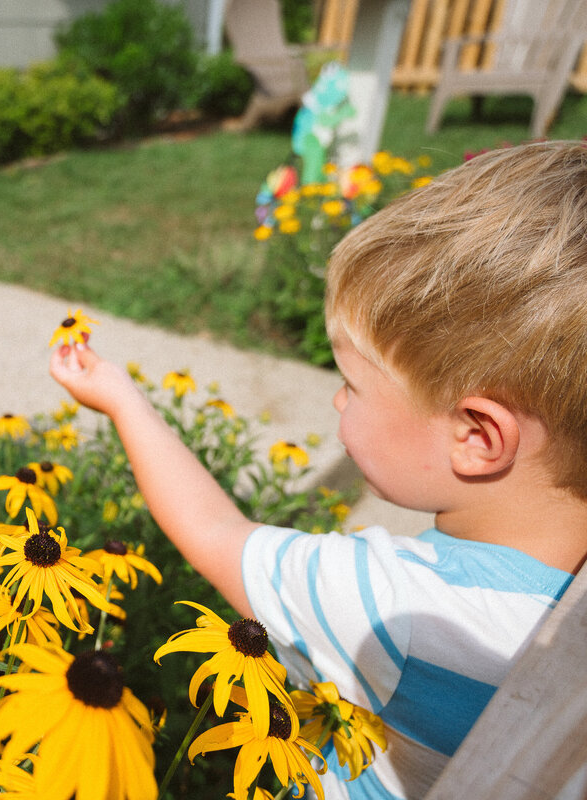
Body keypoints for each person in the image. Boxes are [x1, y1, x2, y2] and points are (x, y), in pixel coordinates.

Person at [50, 141, 587, 800]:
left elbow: (213, 532)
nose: (337, 401)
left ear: (476, 437)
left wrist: (120, 399)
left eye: (352, 385)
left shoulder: (396, 610)